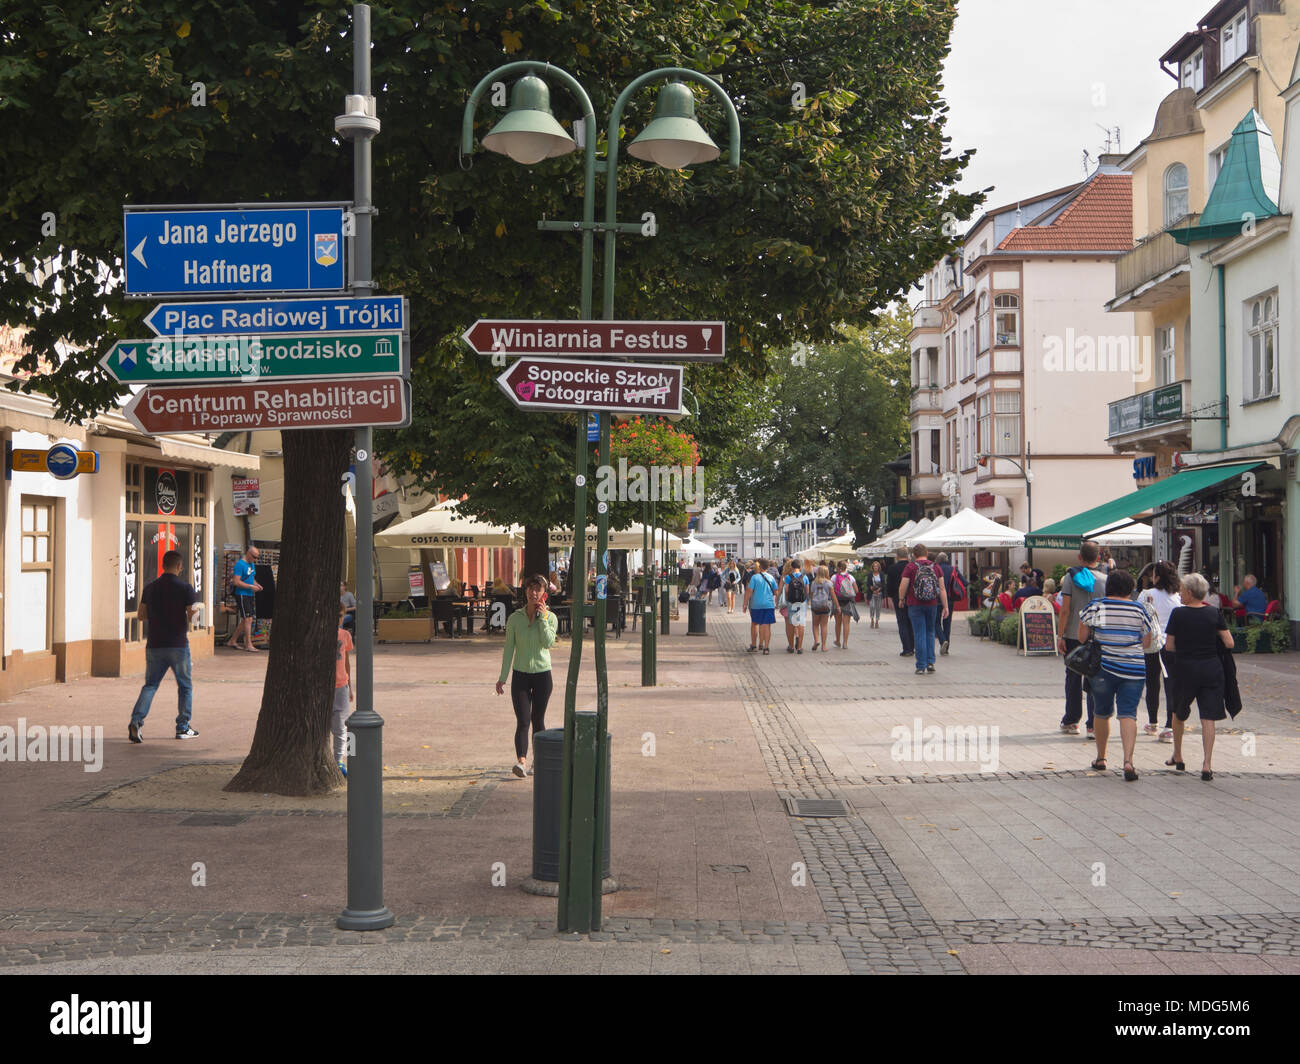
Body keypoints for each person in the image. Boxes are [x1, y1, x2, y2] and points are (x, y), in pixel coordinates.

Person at [1078, 569, 1156, 781]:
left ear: (1108, 586)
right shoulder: (1139, 610)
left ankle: (1101, 758)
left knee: (1102, 712)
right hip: (1133, 668)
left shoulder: (1096, 607)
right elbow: (1147, 643)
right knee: (1128, 714)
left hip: (1103, 668)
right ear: (1130, 588)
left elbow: (1082, 637)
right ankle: (1128, 761)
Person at [1165, 572, 1235, 780]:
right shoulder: (1214, 613)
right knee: (1208, 717)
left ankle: (1178, 755)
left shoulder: (1178, 614)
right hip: (1211, 670)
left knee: (1178, 712)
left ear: (1188, 592)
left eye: (1181, 591)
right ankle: (1206, 764)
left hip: (1185, 670)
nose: (1179, 594)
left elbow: (1169, 646)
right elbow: (1229, 643)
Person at [128, 550, 201, 742]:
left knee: (150, 685)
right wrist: (194, 610)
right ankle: (183, 727)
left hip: (155, 645)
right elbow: (194, 618)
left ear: (163, 565)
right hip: (178, 644)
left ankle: (137, 721)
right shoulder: (186, 588)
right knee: (185, 686)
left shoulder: (150, 588)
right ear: (179, 566)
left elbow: (141, 615)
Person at [495, 574, 557, 778]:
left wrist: (543, 619)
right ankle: (521, 761)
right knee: (523, 720)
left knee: (538, 719)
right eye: (530, 588)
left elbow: (548, 643)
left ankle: (539, 761)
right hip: (520, 675)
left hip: (542, 675)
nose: (533, 593)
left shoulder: (551, 618)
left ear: (544, 594)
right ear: (525, 592)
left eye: (538, 589)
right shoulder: (515, 619)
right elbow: (508, 649)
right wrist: (503, 677)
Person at [1057, 541, 1105, 738]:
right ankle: (1093, 725)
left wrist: (1060, 635)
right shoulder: (1105, 579)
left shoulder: (1071, 577)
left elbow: (1065, 610)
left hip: (1073, 634)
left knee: (1073, 677)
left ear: (1079, 557)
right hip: (1097, 635)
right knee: (1094, 678)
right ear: (1099, 557)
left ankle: (1071, 720)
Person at [1138, 561, 1182, 740]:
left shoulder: (1146, 594)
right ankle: (1170, 727)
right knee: (1171, 684)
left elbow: (1140, 616)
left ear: (1157, 576)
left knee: (1152, 683)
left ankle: (1153, 722)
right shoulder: (1177, 597)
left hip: (1151, 643)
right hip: (1172, 644)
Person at [898, 544, 949, 675]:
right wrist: (945, 606)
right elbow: (942, 588)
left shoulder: (911, 567)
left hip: (915, 604)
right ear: (926, 553)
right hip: (932, 604)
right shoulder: (936, 567)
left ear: (914, 555)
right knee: (930, 633)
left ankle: (921, 665)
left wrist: (901, 599)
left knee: (919, 633)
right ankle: (931, 662)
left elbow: (903, 585)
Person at [332, 604, 355, 777]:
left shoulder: (345, 635)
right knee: (332, 726)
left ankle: (341, 760)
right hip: (326, 687)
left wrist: (350, 686)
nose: (338, 618)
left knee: (344, 726)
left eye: (341, 615)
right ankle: (338, 759)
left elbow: (346, 662)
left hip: (341, 684)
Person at [227, 545, 262, 652]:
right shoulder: (240, 564)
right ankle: (248, 644)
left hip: (249, 594)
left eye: (257, 557)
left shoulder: (251, 564)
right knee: (248, 618)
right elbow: (236, 581)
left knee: (246, 619)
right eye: (254, 557)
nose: (255, 560)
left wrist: (258, 585)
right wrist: (251, 586)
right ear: (248, 554)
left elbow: (251, 578)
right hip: (242, 594)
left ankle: (232, 640)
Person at [744, 558, 778, 654]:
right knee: (766, 625)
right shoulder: (771, 578)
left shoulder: (755, 577)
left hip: (756, 604)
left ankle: (754, 646)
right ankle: (766, 648)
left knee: (755, 623)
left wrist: (745, 603)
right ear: (767, 567)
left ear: (759, 566)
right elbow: (776, 592)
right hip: (768, 604)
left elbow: (749, 591)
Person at [886, 547, 915, 657]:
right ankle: (912, 647)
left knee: (902, 623)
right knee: (911, 623)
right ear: (908, 555)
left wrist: (890, 596)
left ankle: (906, 648)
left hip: (898, 598)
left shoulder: (892, 568)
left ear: (897, 556)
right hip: (912, 598)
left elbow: (889, 585)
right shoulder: (912, 567)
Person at [935, 552, 965, 655]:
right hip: (950, 599)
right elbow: (964, 582)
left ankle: (943, 640)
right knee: (947, 623)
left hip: (937, 599)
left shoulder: (935, 568)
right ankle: (946, 648)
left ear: (938, 560)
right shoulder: (953, 569)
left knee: (936, 622)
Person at [808, 565, 839, 653]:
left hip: (815, 606)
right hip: (825, 606)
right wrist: (837, 606)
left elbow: (811, 595)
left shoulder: (814, 583)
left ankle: (816, 640)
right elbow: (833, 596)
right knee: (824, 625)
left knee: (815, 625)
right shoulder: (829, 583)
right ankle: (824, 646)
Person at [781, 561, 809, 653]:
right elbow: (807, 590)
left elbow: (787, 590)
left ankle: (791, 646)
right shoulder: (805, 577)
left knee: (790, 624)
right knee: (800, 623)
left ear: (792, 567)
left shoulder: (788, 577)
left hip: (791, 602)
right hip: (801, 602)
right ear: (800, 567)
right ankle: (800, 647)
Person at [832, 561, 857, 648]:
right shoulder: (850, 577)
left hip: (837, 601)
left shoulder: (834, 577)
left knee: (838, 623)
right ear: (846, 567)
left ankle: (838, 640)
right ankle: (845, 643)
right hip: (848, 601)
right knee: (846, 623)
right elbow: (856, 590)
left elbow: (831, 589)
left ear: (838, 567)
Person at [865, 560, 885, 629]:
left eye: (877, 566)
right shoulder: (870, 574)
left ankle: (877, 621)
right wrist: (872, 590)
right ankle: (872, 620)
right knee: (872, 606)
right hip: (872, 593)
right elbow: (868, 583)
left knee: (878, 607)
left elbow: (883, 583)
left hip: (879, 593)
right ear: (872, 567)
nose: (875, 567)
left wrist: (879, 589)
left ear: (879, 567)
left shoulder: (881, 574)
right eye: (874, 566)